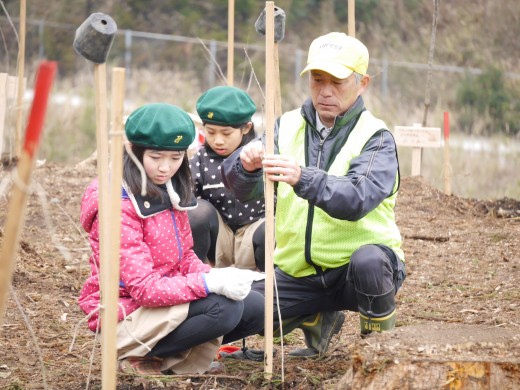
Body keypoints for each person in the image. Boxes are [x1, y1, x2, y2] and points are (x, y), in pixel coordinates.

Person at [221, 32, 406, 358]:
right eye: (318, 80)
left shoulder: (376, 137)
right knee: (227, 320)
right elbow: (242, 191)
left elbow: (357, 198)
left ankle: (378, 352)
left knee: (370, 262)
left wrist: (301, 177)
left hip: (353, 275)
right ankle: (315, 317)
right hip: (298, 274)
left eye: (337, 82)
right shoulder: (285, 126)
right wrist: (245, 166)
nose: (326, 91)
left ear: (363, 83)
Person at [78, 102, 265, 375]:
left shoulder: (171, 188)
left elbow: (185, 256)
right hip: (127, 312)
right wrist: (208, 283)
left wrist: (221, 276)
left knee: (255, 305)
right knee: (222, 310)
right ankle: (138, 355)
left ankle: (171, 357)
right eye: (156, 157)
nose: (166, 168)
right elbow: (143, 289)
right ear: (133, 151)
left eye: (176, 158)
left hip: (164, 300)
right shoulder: (118, 204)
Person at [188, 86, 265, 271]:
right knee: (196, 211)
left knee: (272, 228)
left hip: (254, 234)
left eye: (226, 133)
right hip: (219, 241)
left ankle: (269, 286)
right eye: (211, 132)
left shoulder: (259, 154)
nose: (218, 140)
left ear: (246, 128)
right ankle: (196, 274)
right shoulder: (201, 159)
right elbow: (185, 197)